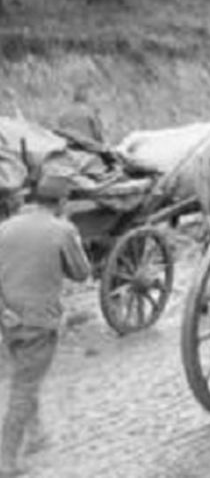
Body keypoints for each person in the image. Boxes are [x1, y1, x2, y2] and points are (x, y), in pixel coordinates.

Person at [0, 175, 90, 476]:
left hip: (8, 319)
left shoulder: (4, 228)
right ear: (62, 202)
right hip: (39, 319)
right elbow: (81, 273)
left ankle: (36, 434)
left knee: (25, 372)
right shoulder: (62, 229)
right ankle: (6, 457)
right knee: (24, 386)